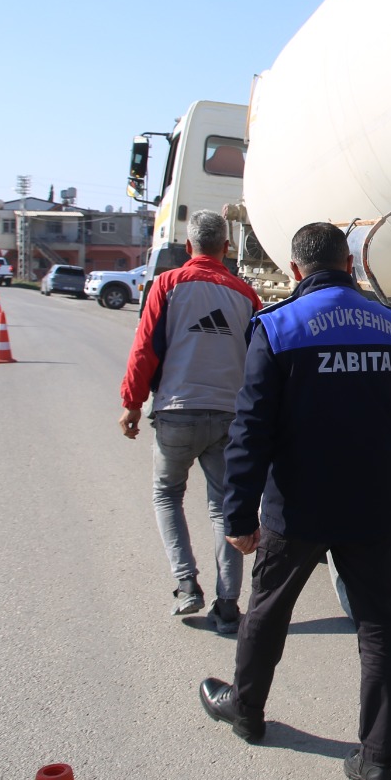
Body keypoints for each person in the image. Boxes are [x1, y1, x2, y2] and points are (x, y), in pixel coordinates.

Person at [199, 221, 391, 780]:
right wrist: (373, 454)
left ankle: (246, 713)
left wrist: (238, 516)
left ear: (297, 271)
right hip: (369, 505)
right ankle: (377, 762)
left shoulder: (278, 328)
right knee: (378, 628)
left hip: (294, 506)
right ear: (349, 264)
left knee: (268, 610)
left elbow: (251, 431)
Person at [120, 209, 261, 633]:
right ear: (227, 247)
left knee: (167, 495)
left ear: (188, 246)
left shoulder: (167, 285)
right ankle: (228, 607)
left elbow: (145, 348)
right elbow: (258, 365)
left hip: (177, 412)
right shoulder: (245, 295)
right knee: (223, 510)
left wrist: (131, 402)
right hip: (229, 419)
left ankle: (186, 586)